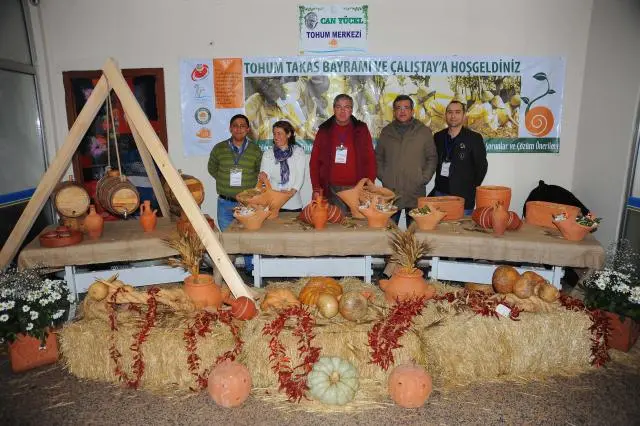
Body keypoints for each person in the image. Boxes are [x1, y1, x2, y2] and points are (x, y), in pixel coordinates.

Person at [376, 95, 437, 227]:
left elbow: (432, 158)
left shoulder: (423, 132)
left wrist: (423, 178)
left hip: (415, 192)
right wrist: (384, 176)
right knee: (388, 235)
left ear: (412, 111)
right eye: (398, 108)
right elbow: (378, 157)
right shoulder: (386, 132)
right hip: (391, 194)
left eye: (406, 108)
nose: (402, 111)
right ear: (394, 112)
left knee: (415, 235)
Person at [310, 93, 376, 214]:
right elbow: (314, 162)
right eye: (339, 107)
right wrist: (316, 187)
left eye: (346, 107)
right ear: (334, 109)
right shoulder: (324, 130)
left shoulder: (361, 129)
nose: (342, 111)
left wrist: (369, 185)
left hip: (357, 188)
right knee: (335, 228)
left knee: (357, 227)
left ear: (351, 110)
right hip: (331, 190)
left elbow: (370, 159)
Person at [430, 100, 488, 215]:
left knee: (461, 232)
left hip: (463, 198)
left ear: (464, 115)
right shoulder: (438, 137)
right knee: (439, 231)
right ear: (445, 115)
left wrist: (470, 188)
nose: (453, 116)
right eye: (450, 112)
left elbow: (481, 167)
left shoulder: (474, 138)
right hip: (440, 194)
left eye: (457, 112)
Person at [208, 114, 263, 231]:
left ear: (248, 129)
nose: (239, 129)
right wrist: (224, 179)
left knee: (248, 240)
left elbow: (259, 171)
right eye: (235, 126)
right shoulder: (219, 148)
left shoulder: (256, 150)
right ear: (230, 128)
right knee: (228, 240)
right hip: (225, 204)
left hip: (248, 204)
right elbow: (212, 168)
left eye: (242, 126)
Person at [258, 120, 306, 212]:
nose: (276, 137)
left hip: (293, 202)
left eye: (279, 133)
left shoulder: (298, 152)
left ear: (288, 134)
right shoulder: (268, 154)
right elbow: (264, 179)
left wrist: (290, 193)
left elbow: (300, 176)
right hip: (273, 203)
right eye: (274, 134)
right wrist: (262, 177)